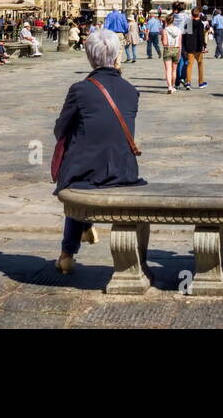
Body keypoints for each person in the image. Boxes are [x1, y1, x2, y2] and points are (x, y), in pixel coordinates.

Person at [51, 30, 143, 274]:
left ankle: (67, 252)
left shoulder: (80, 89)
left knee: (79, 177)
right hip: (124, 171)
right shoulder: (131, 91)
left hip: (84, 172)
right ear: (117, 57)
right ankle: (82, 230)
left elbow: (60, 129)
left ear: (90, 58)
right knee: (90, 170)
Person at [182, 8, 208, 90]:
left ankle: (188, 82)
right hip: (198, 47)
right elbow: (201, 36)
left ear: (191, 14)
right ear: (199, 14)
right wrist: (204, 46)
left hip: (190, 47)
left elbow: (186, 36)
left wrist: (185, 47)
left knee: (189, 65)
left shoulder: (188, 23)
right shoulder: (200, 24)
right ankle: (201, 82)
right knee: (200, 64)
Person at [160, 13, 182, 93]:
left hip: (168, 49)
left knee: (168, 69)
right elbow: (180, 43)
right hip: (176, 49)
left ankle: (169, 87)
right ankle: (173, 86)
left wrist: (162, 40)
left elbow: (165, 43)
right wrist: (180, 52)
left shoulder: (165, 30)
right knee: (174, 70)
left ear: (166, 21)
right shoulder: (179, 30)